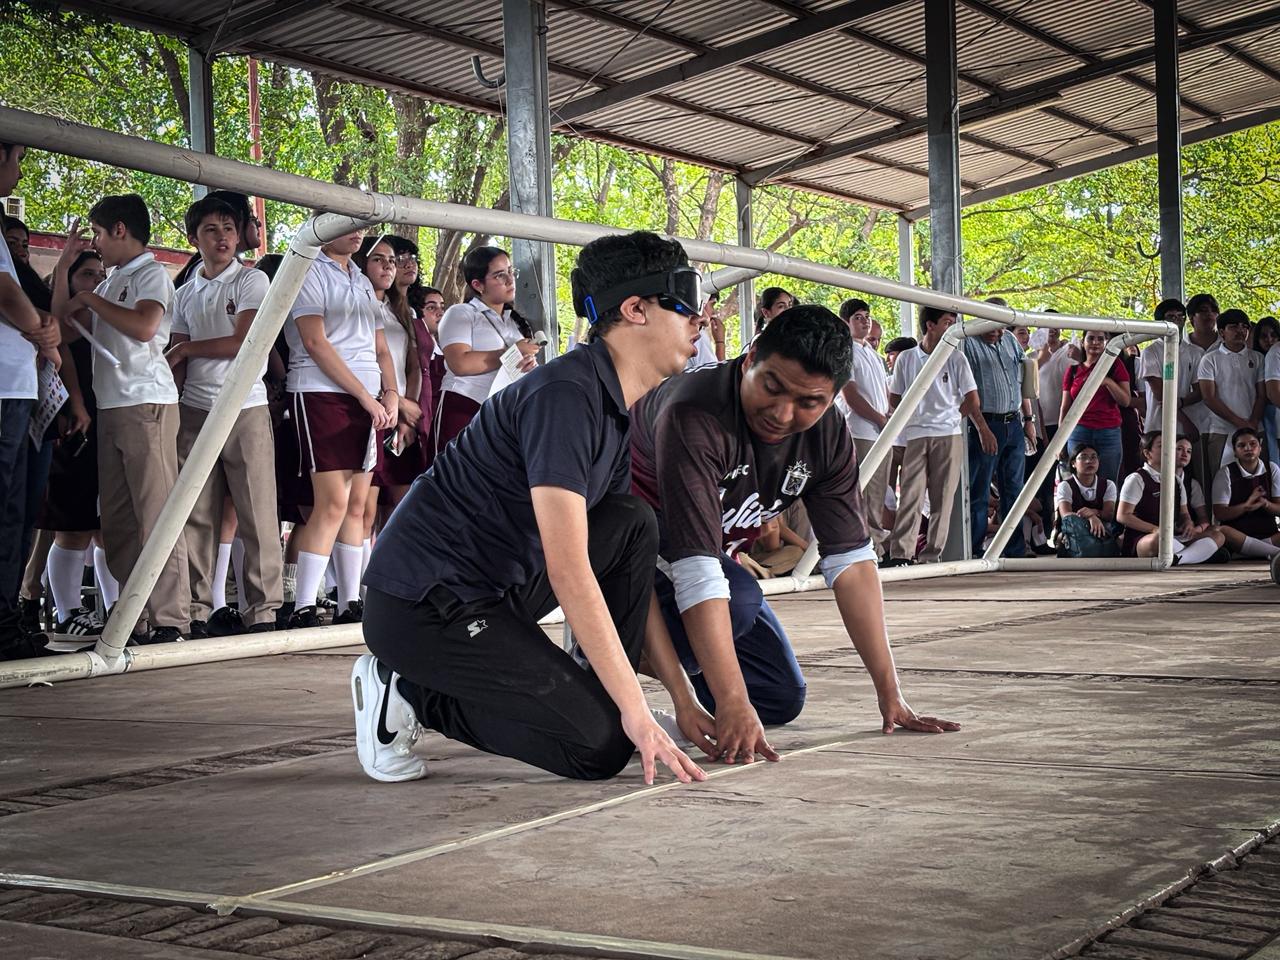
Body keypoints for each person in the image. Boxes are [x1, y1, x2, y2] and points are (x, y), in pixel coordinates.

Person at [355, 231, 709, 785]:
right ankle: (408, 690)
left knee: (633, 524)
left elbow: (610, 552)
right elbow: (569, 570)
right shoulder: (565, 394)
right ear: (634, 309)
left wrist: (680, 700)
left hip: (497, 590)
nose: (700, 321)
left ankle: (600, 694)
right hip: (423, 607)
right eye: (684, 302)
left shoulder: (613, 405)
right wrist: (633, 711)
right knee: (598, 748)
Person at [633, 303, 958, 762]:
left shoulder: (827, 435)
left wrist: (891, 693)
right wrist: (729, 702)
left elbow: (852, 563)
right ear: (749, 361)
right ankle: (610, 660)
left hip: (706, 559)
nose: (782, 414)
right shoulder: (695, 411)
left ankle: (688, 678)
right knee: (738, 598)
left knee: (777, 696)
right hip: (628, 549)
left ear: (833, 398)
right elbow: (698, 571)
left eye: (808, 402)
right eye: (771, 387)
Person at [53, 195, 189, 644]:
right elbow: (63, 327)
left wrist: (90, 297)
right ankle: (136, 614)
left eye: (96, 232)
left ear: (118, 229)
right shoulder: (111, 283)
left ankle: (170, 617)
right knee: (118, 520)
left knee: (155, 513)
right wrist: (62, 272)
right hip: (110, 406)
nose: (94, 242)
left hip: (146, 403)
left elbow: (146, 326)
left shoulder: (150, 274)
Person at [167, 194, 282, 637]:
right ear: (193, 238)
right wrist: (175, 407)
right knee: (195, 512)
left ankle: (264, 609)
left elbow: (245, 342)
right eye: (211, 230)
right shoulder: (184, 292)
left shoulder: (252, 282)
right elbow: (176, 360)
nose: (223, 238)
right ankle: (197, 609)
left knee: (257, 511)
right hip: (194, 407)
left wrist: (186, 349)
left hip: (245, 406)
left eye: (229, 230)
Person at [278, 227, 398, 629]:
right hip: (321, 392)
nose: (358, 234)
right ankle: (304, 604)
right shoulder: (308, 269)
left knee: (358, 505)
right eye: (347, 225)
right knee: (330, 503)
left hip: (367, 397)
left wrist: (391, 392)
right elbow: (314, 342)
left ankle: (350, 600)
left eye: (362, 227)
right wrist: (365, 397)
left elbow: (381, 347)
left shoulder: (362, 280)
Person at [0, 141, 62, 661]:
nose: (19, 172)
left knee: (17, 509)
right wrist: (42, 330)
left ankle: (8, 618)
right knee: (6, 509)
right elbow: (5, 292)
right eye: (17, 158)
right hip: (4, 390)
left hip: (18, 391)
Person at [34, 249, 108, 638]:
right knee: (72, 525)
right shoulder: (59, 325)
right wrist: (63, 265)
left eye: (100, 275)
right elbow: (60, 343)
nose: (95, 282)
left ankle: (115, 610)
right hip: (71, 430)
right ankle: (67, 611)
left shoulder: (102, 322)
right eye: (87, 275)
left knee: (108, 527)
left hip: (106, 425)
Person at [886, 307, 988, 565]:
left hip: (948, 434)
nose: (951, 328)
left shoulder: (956, 358)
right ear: (930, 325)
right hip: (916, 434)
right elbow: (894, 396)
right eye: (946, 322)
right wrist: (912, 418)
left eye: (953, 323)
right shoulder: (907, 358)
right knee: (911, 494)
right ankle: (901, 554)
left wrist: (953, 417)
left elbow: (972, 398)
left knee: (942, 497)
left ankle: (932, 555)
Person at [435, 246, 540, 455]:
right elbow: (460, 363)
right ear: (477, 285)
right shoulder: (461, 313)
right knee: (459, 478)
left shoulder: (513, 323)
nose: (510, 280)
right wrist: (511, 353)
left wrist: (527, 366)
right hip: (465, 404)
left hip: (504, 411)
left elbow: (513, 365)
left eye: (511, 271)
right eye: (499, 275)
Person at [962, 302, 1036, 558]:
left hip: (1013, 422)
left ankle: (1013, 548)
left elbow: (1023, 382)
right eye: (992, 326)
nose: (997, 331)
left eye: (1002, 326)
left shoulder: (1011, 342)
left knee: (1014, 490)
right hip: (985, 423)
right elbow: (965, 390)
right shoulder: (966, 342)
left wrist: (1029, 420)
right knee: (980, 490)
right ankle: (973, 551)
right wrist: (982, 428)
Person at [355, 236, 422, 510]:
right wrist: (396, 402)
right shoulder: (357, 304)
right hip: (374, 407)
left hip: (401, 413)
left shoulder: (401, 310)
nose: (388, 267)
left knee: (401, 507)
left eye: (392, 261)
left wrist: (407, 411)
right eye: (378, 260)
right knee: (364, 509)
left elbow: (413, 365)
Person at [835, 298, 891, 559]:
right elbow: (851, 394)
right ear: (846, 322)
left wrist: (888, 418)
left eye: (867, 316)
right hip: (862, 431)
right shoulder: (845, 350)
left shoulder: (872, 353)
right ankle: (863, 551)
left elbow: (883, 392)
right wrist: (879, 419)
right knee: (863, 492)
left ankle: (876, 548)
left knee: (878, 494)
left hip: (882, 431)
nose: (865, 321)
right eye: (858, 317)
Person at [1116, 432, 1226, 564]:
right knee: (1158, 541)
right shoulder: (1137, 479)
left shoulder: (1177, 481)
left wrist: (1188, 524)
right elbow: (1123, 516)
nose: (1169, 449)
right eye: (1162, 446)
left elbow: (1184, 514)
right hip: (1145, 537)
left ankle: (1180, 559)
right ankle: (1199, 555)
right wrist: (1154, 529)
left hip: (1173, 537)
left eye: (1171, 446)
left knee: (1217, 536)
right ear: (1147, 453)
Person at [1197, 308, 1263, 480]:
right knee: (1221, 481)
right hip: (1221, 430)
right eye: (1233, 326)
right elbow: (1209, 397)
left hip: (1255, 429)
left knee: (1257, 480)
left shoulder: (1257, 358)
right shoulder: (1209, 359)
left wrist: (1252, 422)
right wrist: (1239, 422)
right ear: (1221, 332)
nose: (1240, 331)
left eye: (1244, 327)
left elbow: (1262, 394)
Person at [1061, 330, 1130, 489]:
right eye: (1091, 338)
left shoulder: (1115, 366)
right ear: (1083, 341)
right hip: (1078, 430)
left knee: (1108, 483)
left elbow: (1125, 401)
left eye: (1100, 339)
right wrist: (1061, 442)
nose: (1095, 343)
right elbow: (1065, 408)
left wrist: (1107, 382)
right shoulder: (1072, 371)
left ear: (1106, 342)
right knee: (1077, 481)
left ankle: (1105, 514)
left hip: (1108, 431)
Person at [1210, 427, 1280, 560]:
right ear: (1235, 452)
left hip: (1270, 535)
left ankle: (1257, 550)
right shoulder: (1226, 472)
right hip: (1238, 537)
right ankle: (1271, 553)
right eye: (1241, 445)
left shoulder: (1272, 469)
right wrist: (1246, 507)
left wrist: (1265, 504)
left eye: (1253, 444)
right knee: (1220, 531)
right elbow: (1220, 513)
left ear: (1260, 447)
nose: (1248, 448)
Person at [173, 191, 262, 288]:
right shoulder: (208, 270)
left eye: (227, 228)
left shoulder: (234, 270)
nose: (259, 224)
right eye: (252, 217)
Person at [1182, 293, 1221, 492]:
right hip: (1192, 423)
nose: (1209, 315)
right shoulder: (1180, 347)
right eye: (1203, 311)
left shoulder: (1227, 345)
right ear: (1191, 317)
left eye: (1213, 311)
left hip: (1225, 424)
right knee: (1197, 480)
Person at [1054, 444, 1119, 557]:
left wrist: (1093, 512)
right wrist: (1091, 517)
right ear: (1073, 463)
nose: (1089, 461)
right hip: (1074, 531)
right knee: (1063, 538)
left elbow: (1108, 515)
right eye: (1083, 457)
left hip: (1102, 531)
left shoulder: (1108, 485)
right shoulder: (1065, 485)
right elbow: (1066, 515)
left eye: (1094, 457)